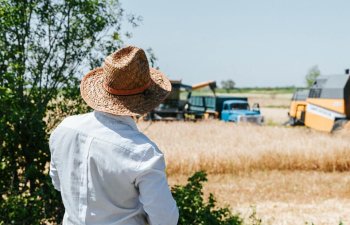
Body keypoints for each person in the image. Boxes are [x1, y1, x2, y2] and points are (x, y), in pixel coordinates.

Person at [49, 46, 179, 225]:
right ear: (146, 100)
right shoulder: (143, 152)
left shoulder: (64, 129)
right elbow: (165, 219)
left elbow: (58, 183)